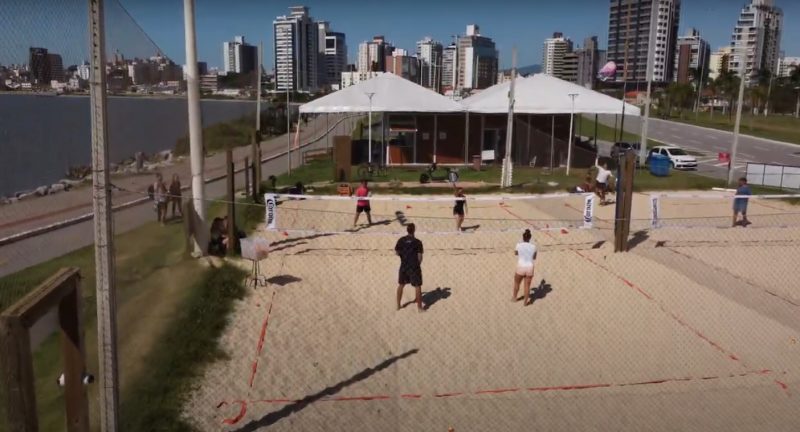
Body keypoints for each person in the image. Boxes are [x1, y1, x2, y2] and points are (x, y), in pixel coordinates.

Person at [395, 223, 424, 312]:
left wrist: (403, 255)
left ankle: (398, 306)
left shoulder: (401, 240)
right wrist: (417, 265)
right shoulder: (417, 242)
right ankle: (419, 308)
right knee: (417, 286)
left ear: (407, 230)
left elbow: (397, 252)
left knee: (401, 285)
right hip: (414, 265)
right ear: (414, 230)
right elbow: (419, 257)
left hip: (404, 265)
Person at [513, 229, 537, 306]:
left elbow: (516, 253)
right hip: (529, 267)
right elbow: (534, 258)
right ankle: (525, 303)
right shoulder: (533, 246)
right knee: (527, 286)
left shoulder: (519, 245)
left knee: (517, 284)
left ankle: (514, 298)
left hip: (521, 266)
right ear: (530, 238)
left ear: (523, 237)